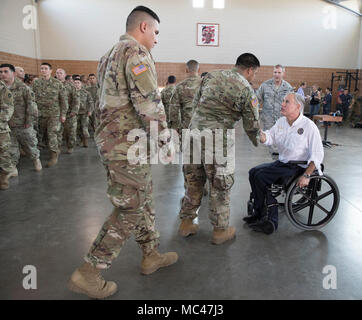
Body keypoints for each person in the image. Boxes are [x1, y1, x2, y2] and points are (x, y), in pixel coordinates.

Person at [68, 6, 178, 299]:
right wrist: (167, 144)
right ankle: (89, 272)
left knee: (142, 198)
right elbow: (149, 104)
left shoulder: (108, 55)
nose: (156, 38)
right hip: (126, 146)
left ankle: (150, 253)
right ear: (143, 27)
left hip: (115, 143)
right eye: (155, 32)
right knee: (131, 205)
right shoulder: (137, 54)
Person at [177, 53, 260, 244]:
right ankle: (220, 230)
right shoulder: (246, 89)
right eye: (254, 73)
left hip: (193, 134)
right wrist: (258, 139)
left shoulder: (211, 76)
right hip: (217, 140)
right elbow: (252, 124)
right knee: (220, 184)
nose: (253, 76)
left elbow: (197, 101)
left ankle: (186, 222)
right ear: (249, 70)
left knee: (193, 180)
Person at [244, 93, 324, 235]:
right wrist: (259, 132)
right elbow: (269, 138)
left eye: (287, 102)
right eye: (282, 101)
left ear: (298, 107)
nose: (282, 104)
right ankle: (258, 213)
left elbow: (317, 155)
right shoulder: (281, 122)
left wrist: (306, 175)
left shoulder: (309, 126)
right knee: (253, 172)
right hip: (283, 163)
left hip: (298, 167)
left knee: (261, 177)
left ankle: (271, 220)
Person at [0, 64, 42, 174]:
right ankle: (13, 168)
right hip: (7, 125)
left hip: (23, 124)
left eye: (5, 71)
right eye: (1, 72)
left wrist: (28, 121)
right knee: (11, 149)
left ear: (13, 73)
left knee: (30, 145)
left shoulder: (23, 88)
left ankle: (36, 160)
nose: (2, 74)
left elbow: (31, 105)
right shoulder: (1, 89)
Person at [32, 63, 68, 167]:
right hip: (41, 114)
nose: (43, 70)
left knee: (52, 133)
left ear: (51, 71)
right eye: (42, 68)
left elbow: (64, 100)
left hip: (54, 114)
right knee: (44, 135)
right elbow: (32, 99)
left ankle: (54, 155)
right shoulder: (36, 83)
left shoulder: (57, 83)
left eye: (45, 69)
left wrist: (63, 114)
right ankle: (52, 150)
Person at [256, 64, 293, 156]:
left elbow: (292, 103)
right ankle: (276, 157)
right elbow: (256, 100)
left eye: (279, 72)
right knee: (270, 142)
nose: (277, 74)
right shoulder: (265, 85)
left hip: (282, 119)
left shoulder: (288, 87)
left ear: (283, 73)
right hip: (268, 119)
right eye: (275, 72)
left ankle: (280, 157)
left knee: (282, 140)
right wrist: (253, 112)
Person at [169, 60, 202, 131]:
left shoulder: (180, 86)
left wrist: (174, 127)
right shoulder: (205, 85)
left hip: (186, 125)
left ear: (186, 70)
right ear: (199, 70)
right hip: (202, 125)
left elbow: (174, 107)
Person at [55, 68, 80, 154]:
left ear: (65, 75)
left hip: (69, 113)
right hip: (56, 113)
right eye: (57, 73)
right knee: (57, 132)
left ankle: (70, 146)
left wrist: (74, 111)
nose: (59, 74)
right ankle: (57, 148)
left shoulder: (70, 85)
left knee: (71, 132)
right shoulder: (53, 85)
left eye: (61, 73)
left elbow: (76, 99)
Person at [0, 80, 14, 190]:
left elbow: (8, 106)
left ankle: (4, 176)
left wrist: (3, 119)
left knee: (4, 152)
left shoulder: (2, 87)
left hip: (1, 127)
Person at [73, 77, 93, 148]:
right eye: (75, 83)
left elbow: (90, 102)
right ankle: (81, 140)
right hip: (75, 113)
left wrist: (90, 111)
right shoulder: (72, 93)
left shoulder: (86, 93)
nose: (76, 84)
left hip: (84, 113)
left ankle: (85, 140)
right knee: (77, 128)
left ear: (81, 84)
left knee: (84, 127)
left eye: (78, 83)